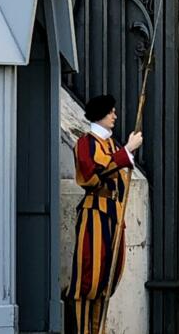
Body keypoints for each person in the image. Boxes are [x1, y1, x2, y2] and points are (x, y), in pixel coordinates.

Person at [67, 94, 143, 334]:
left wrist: (124, 154)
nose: (115, 116)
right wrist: (127, 152)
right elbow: (93, 174)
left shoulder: (111, 145)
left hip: (113, 215)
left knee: (106, 280)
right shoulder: (86, 143)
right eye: (111, 111)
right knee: (89, 278)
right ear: (100, 114)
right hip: (95, 214)